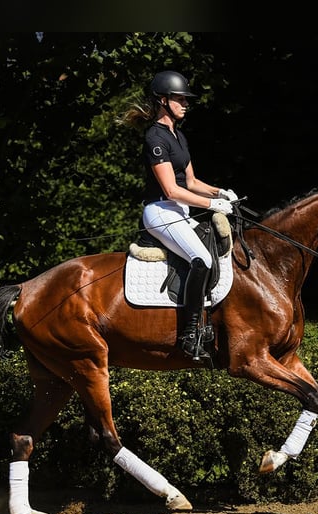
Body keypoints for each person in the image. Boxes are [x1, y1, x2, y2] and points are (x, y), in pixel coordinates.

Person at [119, 70, 237, 361]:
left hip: (179, 212)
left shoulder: (178, 136)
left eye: (186, 99)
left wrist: (220, 193)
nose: (185, 104)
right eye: (179, 99)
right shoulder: (155, 139)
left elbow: (192, 182)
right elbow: (171, 190)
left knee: (216, 248)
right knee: (202, 259)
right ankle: (189, 334)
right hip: (160, 212)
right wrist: (211, 207)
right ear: (163, 100)